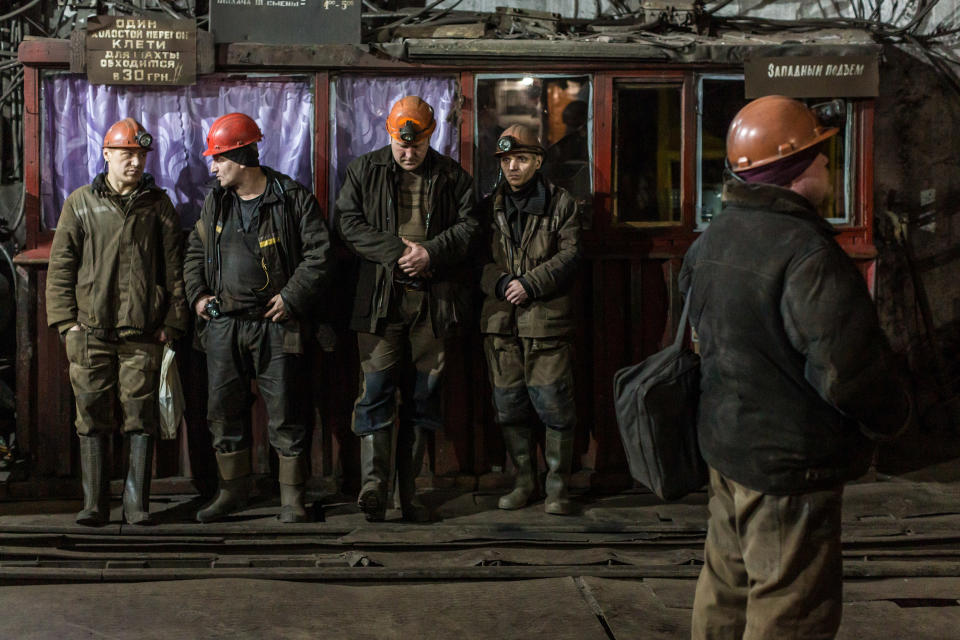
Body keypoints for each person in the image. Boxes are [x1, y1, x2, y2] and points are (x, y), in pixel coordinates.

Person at [680, 95, 912, 639]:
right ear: (793, 169)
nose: (829, 167)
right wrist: (893, 419)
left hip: (727, 449)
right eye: (821, 157)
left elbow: (694, 340)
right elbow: (847, 371)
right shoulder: (806, 253)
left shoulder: (714, 237)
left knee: (726, 588)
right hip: (789, 465)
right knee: (791, 608)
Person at [184, 112, 332, 523]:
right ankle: (232, 492)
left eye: (218, 160)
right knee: (223, 409)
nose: (213, 169)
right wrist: (197, 296)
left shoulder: (291, 198)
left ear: (242, 156)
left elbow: (319, 254)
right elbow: (195, 252)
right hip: (224, 325)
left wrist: (292, 296)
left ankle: (291, 499)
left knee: (286, 409)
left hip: (276, 324)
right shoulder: (216, 202)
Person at [336, 95, 477, 523]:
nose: (408, 152)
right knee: (375, 390)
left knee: (423, 398)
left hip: (432, 305)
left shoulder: (453, 177)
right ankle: (374, 487)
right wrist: (399, 251)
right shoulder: (365, 170)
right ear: (388, 133)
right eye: (401, 144)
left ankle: (408, 493)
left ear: (431, 136)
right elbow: (347, 222)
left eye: (416, 145)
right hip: (380, 303)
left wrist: (431, 253)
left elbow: (471, 227)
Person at [46, 117, 188, 526]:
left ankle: (135, 506)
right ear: (106, 153)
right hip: (90, 332)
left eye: (140, 155)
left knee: (139, 417)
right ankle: (94, 505)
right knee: (90, 415)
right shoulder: (80, 202)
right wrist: (65, 324)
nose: (135, 162)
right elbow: (61, 269)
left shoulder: (158, 205)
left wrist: (173, 323)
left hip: (143, 333)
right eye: (127, 153)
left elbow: (174, 270)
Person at [477, 124, 581, 515]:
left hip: (546, 322)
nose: (513, 167)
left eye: (521, 159)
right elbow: (476, 261)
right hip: (501, 324)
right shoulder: (488, 206)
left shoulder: (561, 204)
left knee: (554, 405)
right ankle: (524, 482)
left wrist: (531, 284)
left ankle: (557, 488)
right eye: (506, 160)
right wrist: (503, 281)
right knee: (509, 405)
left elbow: (570, 255)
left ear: (538, 161)